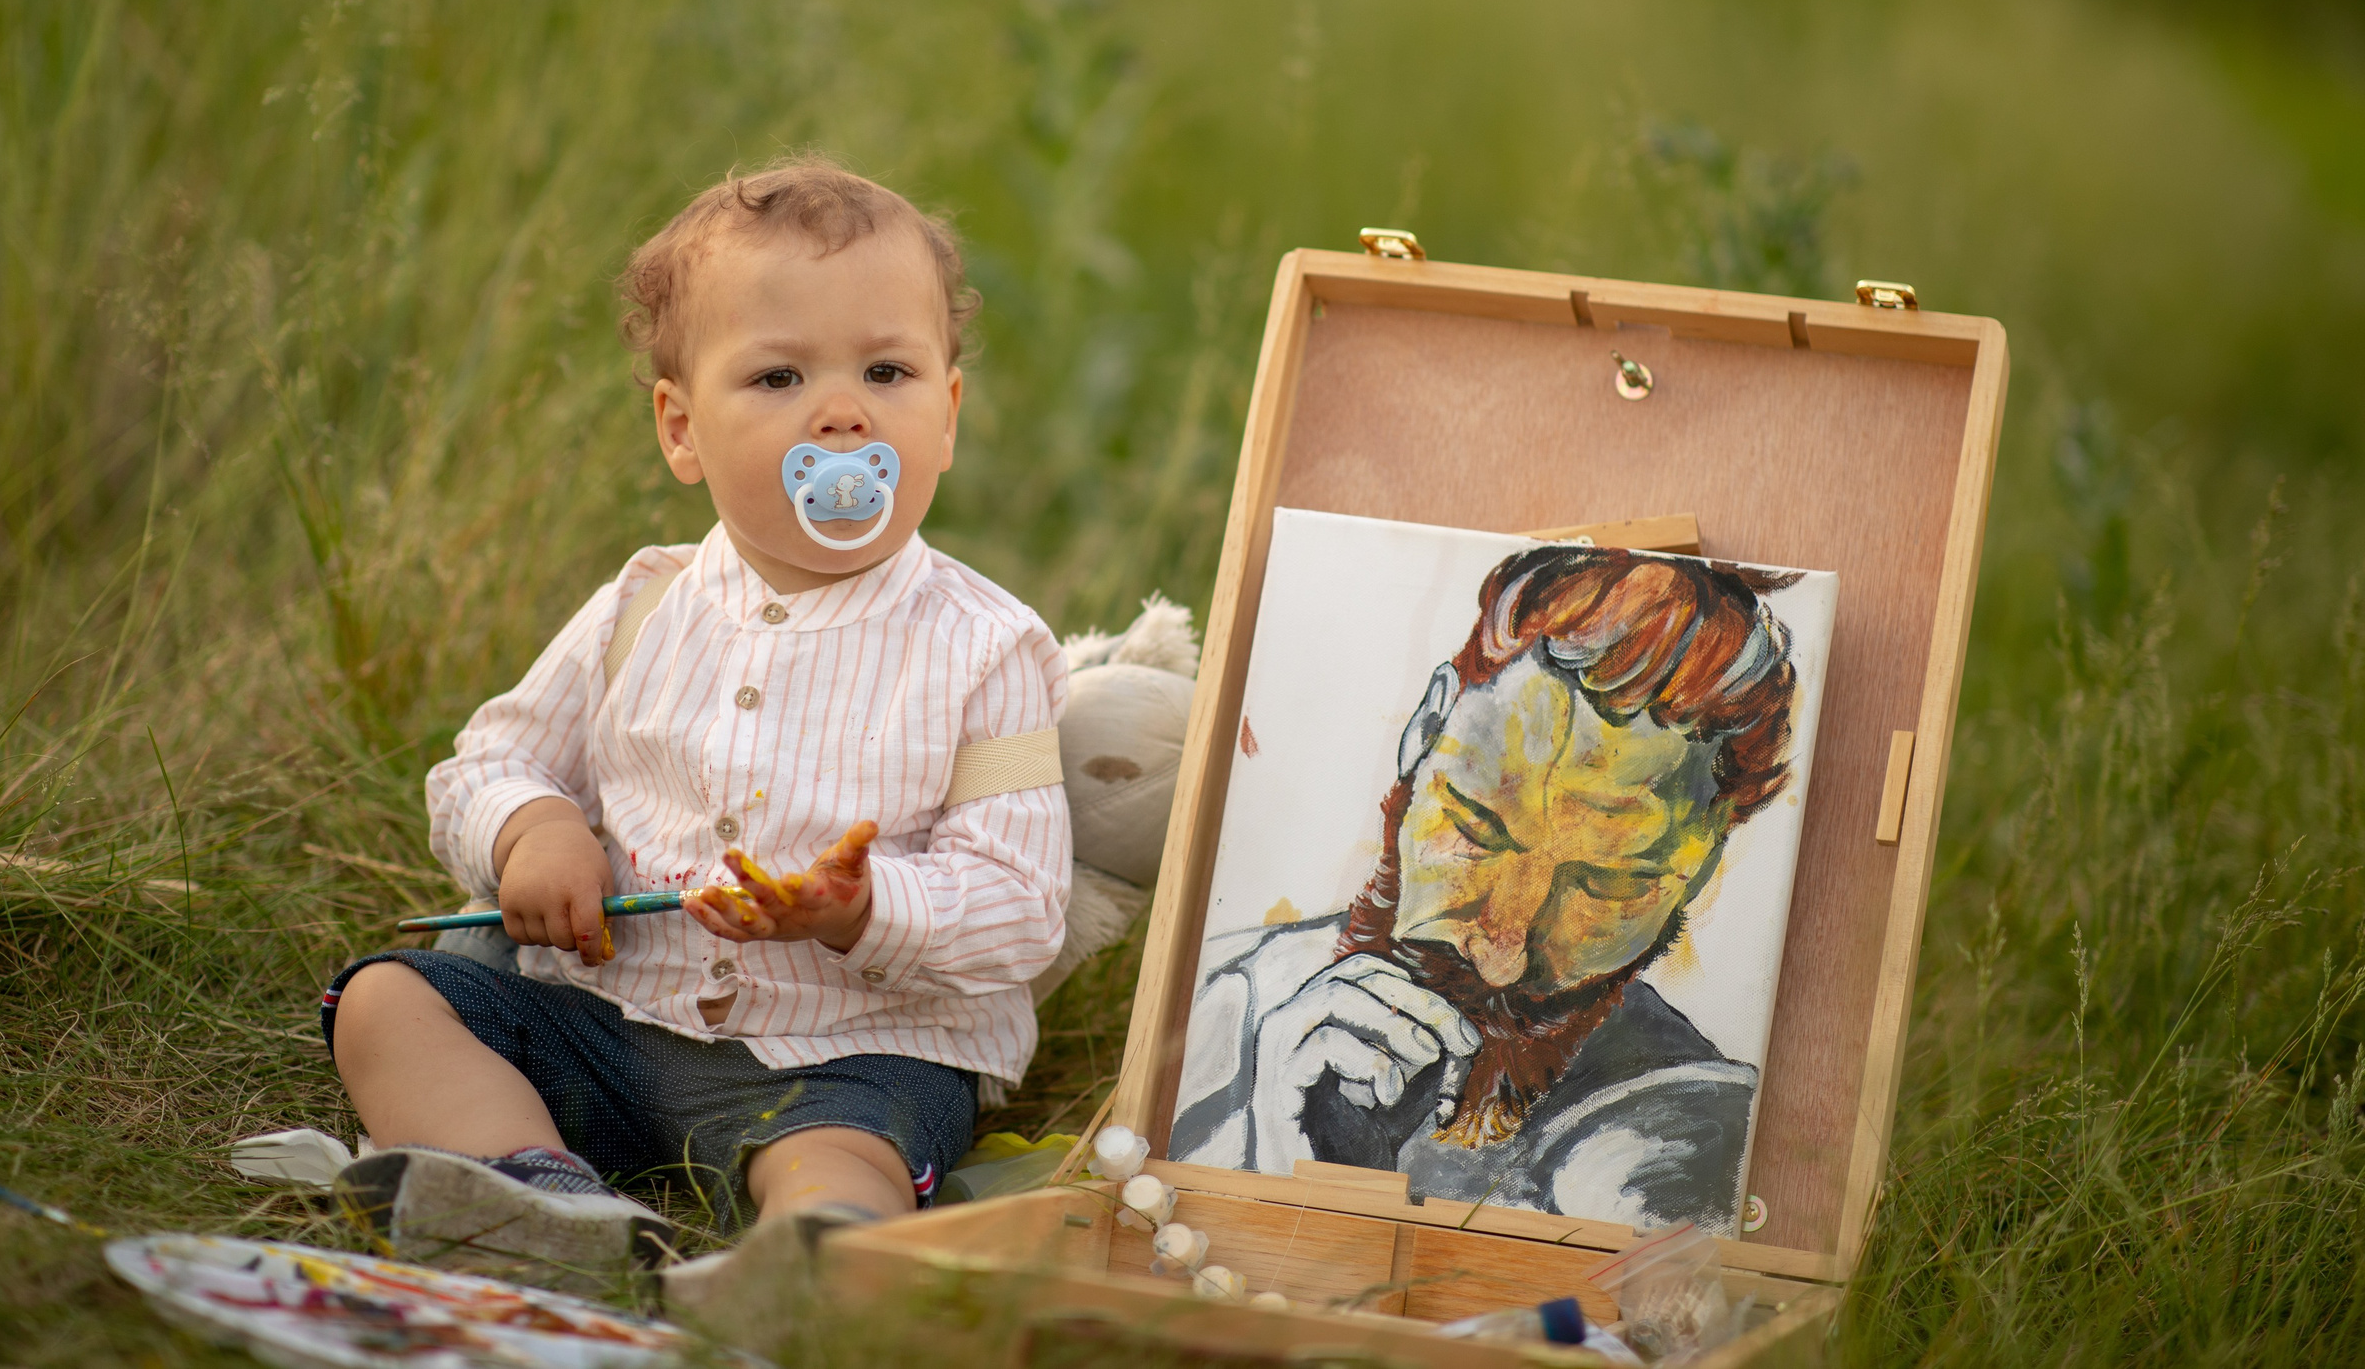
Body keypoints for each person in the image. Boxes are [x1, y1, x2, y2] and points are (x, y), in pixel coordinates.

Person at [320, 161, 1070, 1276]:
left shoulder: (988, 646)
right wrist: (533, 831)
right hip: (613, 1018)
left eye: (887, 369)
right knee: (386, 1002)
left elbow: (1022, 907)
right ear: (681, 429)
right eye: (777, 376)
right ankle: (529, 1186)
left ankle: (817, 1253)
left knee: (839, 1152)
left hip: (848, 1050)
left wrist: (863, 909)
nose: (843, 413)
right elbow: (493, 757)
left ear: (947, 415)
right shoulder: (645, 603)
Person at [1168, 548, 1798, 1234]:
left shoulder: (1680, 1135)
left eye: (1606, 884)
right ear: (1425, 727)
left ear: (1701, 863)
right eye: (1477, 829)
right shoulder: (1211, 996)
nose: (1502, 952)